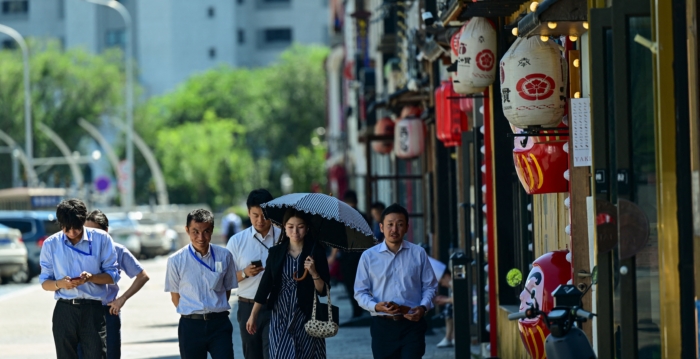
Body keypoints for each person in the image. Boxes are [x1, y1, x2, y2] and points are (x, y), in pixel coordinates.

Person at [354, 203, 438, 359]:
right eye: (390, 224)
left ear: (406, 227)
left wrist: (423, 307)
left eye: (399, 225)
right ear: (381, 227)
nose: (394, 229)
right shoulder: (368, 256)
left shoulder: (418, 253)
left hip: (412, 324)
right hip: (382, 326)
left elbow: (430, 286)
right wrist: (375, 306)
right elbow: (360, 291)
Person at [39, 199, 120, 359]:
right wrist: (59, 283)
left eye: (76, 227)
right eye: (66, 228)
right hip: (65, 310)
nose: (71, 233)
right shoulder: (51, 244)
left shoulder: (102, 239)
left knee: (96, 355)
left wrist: (91, 278)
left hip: (93, 310)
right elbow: (44, 282)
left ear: (83, 221)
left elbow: (113, 276)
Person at [246, 209, 331, 359]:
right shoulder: (276, 252)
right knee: (281, 354)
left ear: (307, 228)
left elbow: (322, 291)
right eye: (291, 226)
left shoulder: (316, 252)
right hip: (281, 314)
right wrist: (253, 315)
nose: (295, 231)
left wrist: (314, 273)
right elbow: (265, 285)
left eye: (300, 226)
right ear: (284, 227)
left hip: (307, 315)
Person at [165, 209, 238, 359]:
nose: (201, 237)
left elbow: (227, 290)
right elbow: (175, 297)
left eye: (206, 231)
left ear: (212, 230)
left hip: (219, 324)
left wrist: (214, 306)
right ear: (187, 230)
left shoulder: (225, 256)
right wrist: (193, 310)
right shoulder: (176, 260)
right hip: (191, 326)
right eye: (195, 231)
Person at [77, 210, 150, 359]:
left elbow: (142, 276)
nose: (91, 236)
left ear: (106, 231)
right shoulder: (78, 250)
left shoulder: (117, 250)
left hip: (107, 312)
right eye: (88, 231)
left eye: (96, 231)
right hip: (82, 312)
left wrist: (122, 299)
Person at [226, 189, 280, 359]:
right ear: (248, 213)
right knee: (252, 355)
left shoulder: (283, 236)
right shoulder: (237, 241)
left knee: (273, 353)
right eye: (255, 215)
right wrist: (244, 273)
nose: (260, 220)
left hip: (276, 306)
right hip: (247, 306)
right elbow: (225, 279)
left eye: (264, 215)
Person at [327, 190, 367, 318]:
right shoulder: (364, 216)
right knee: (362, 283)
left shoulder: (343, 217)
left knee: (351, 285)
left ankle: (357, 311)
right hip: (363, 256)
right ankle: (363, 307)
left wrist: (333, 256)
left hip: (348, 257)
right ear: (357, 201)